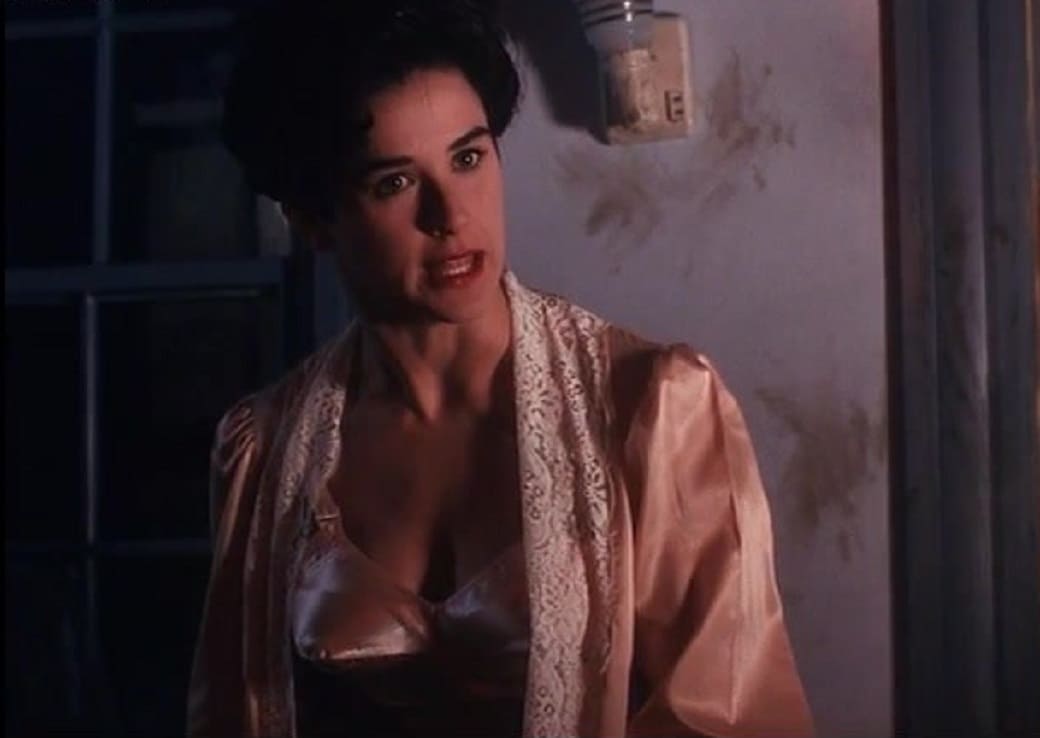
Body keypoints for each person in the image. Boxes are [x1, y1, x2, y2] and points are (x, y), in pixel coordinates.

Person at [187, 1, 814, 736]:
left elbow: (732, 714)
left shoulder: (654, 406)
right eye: (394, 183)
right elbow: (233, 710)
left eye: (468, 158)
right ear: (312, 219)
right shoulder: (264, 450)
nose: (450, 215)